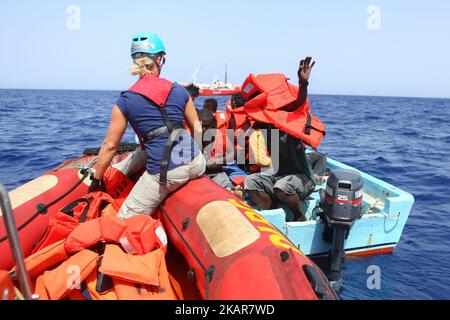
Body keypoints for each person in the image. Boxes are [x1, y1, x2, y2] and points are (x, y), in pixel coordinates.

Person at [89, 32, 206, 219]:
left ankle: (110, 181)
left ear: (135, 62)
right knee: (141, 152)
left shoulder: (126, 100)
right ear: (160, 60)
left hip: (167, 173)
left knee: (122, 220)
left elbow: (110, 146)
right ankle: (119, 173)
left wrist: (96, 179)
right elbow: (198, 129)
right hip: (198, 163)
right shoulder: (179, 90)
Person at [244, 57, 324, 221]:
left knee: (282, 187)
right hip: (278, 176)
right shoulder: (262, 125)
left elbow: (299, 104)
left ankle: (298, 215)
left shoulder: (291, 122)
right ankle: (274, 213)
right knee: (250, 181)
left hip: (303, 180)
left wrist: (303, 83)